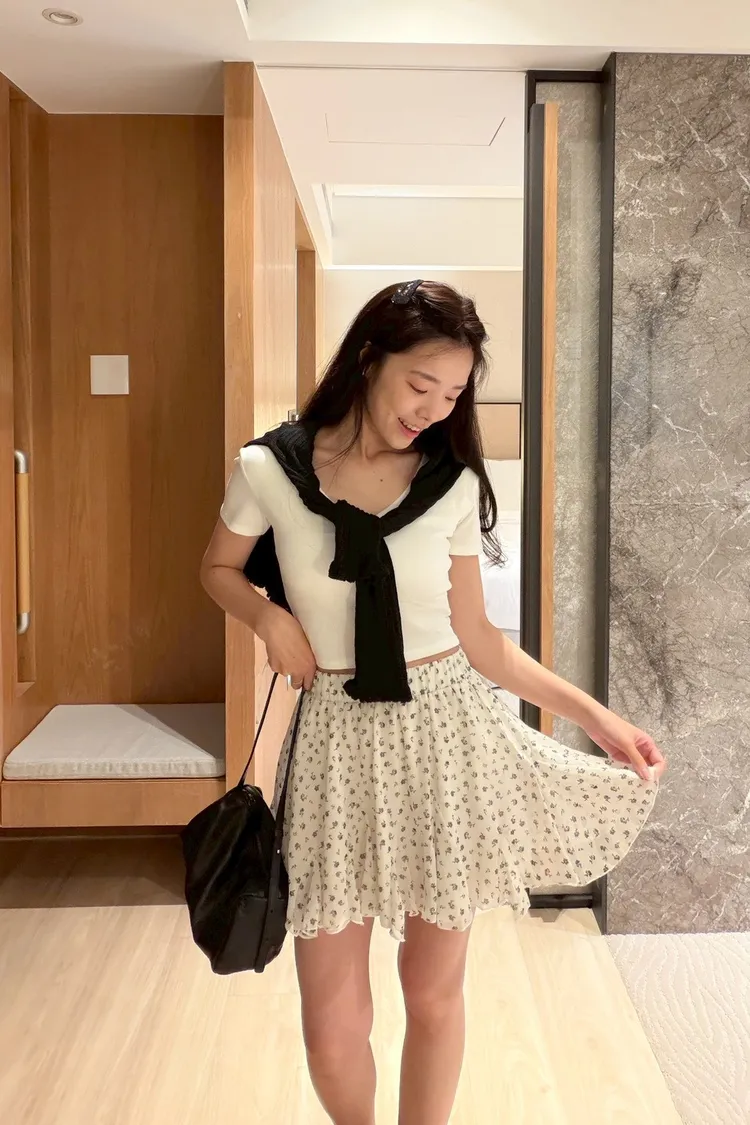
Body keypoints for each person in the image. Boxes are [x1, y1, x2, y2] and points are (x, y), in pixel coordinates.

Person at [200, 280, 666, 1125]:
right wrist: (268, 617)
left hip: (447, 735)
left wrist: (596, 717)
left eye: (452, 395)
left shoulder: (448, 483)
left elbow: (481, 640)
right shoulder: (270, 469)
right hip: (336, 742)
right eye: (422, 385)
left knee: (433, 989)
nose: (434, 409)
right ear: (369, 358)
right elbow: (218, 568)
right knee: (330, 1022)